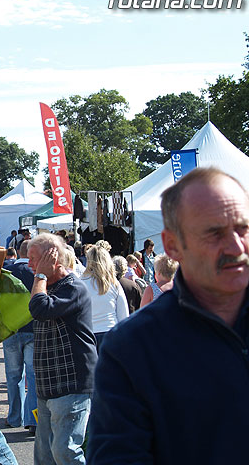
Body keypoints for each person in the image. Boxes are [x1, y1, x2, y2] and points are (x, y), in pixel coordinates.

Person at [87, 167, 249, 464]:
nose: (237, 246)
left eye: (243, 228)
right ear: (172, 245)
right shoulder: (133, 348)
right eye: (214, 233)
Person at [28, 232, 97, 465]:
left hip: (71, 384)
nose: (29, 264)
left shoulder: (73, 287)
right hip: (49, 386)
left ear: (52, 259)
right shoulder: (49, 286)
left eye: (34, 259)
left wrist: (40, 275)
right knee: (45, 456)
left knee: (65, 452)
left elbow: (39, 309)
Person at [3, 240, 37, 436]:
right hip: (33, 327)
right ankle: (32, 418)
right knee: (32, 376)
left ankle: (15, 416)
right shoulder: (36, 273)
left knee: (13, 375)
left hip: (12, 327)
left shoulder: (7, 271)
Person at [80, 246, 129, 350]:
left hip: (88, 334)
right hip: (110, 332)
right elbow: (123, 314)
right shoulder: (113, 283)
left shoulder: (81, 283)